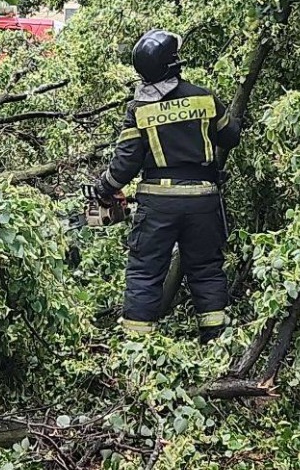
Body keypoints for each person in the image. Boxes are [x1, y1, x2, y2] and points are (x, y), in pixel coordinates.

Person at [94, 29, 241, 342]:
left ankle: (137, 346)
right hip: (203, 200)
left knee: (145, 272)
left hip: (158, 204)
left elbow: (125, 164)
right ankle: (216, 343)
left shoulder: (140, 109)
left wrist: (104, 189)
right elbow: (231, 137)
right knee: (206, 269)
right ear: (174, 62)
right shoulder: (204, 98)